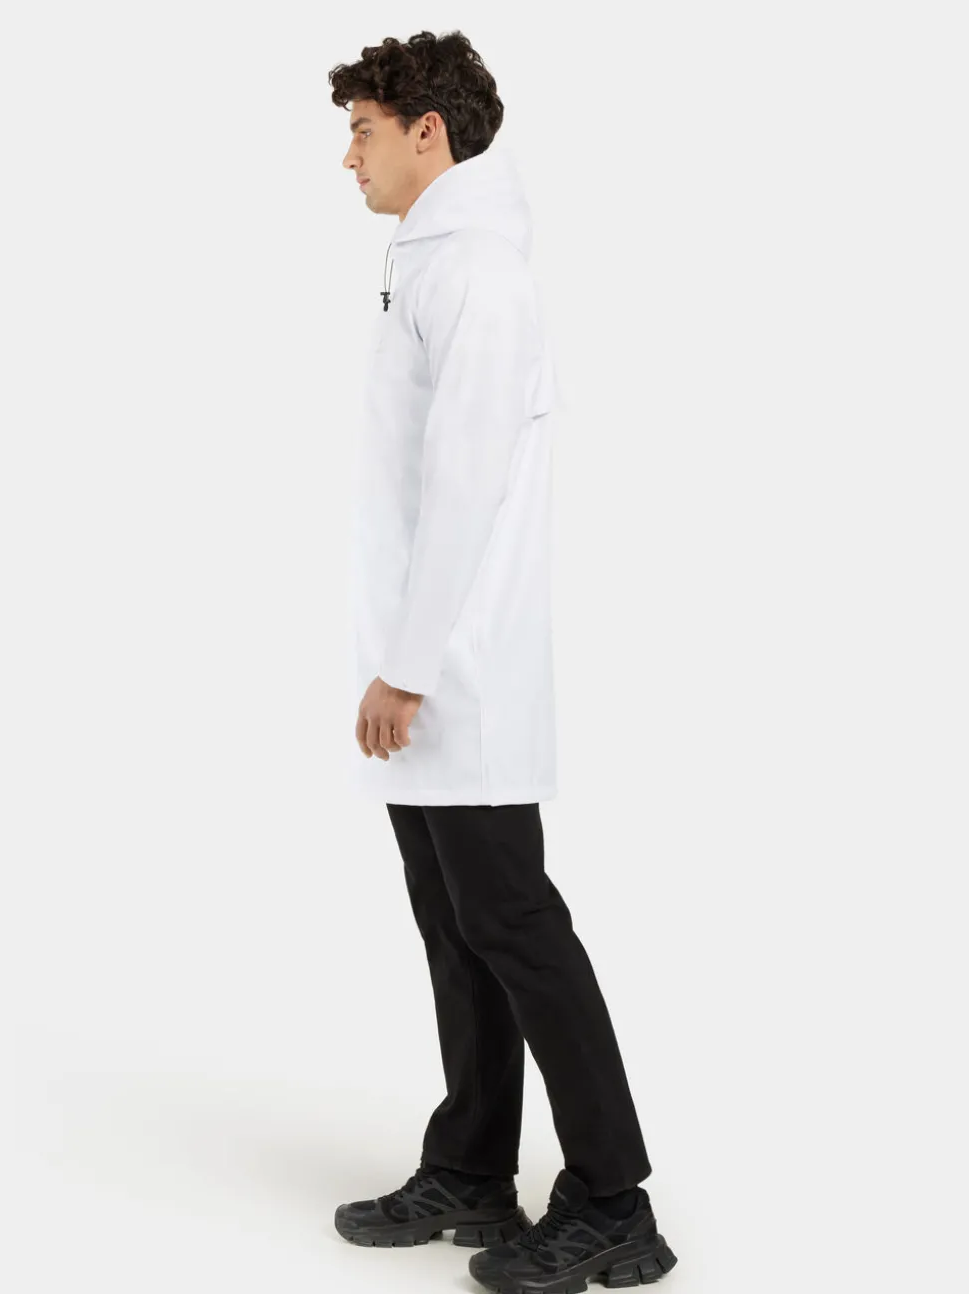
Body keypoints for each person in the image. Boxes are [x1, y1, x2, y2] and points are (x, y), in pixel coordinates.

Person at [329, 30, 677, 1292]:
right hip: (424, 671)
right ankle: (472, 1164)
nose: (349, 158)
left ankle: (613, 1200)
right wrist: (396, 659)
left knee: (515, 922)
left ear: (428, 132)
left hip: (455, 671)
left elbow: (467, 481)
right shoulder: (431, 262)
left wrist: (410, 664)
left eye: (364, 130)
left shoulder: (477, 273)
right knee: (456, 921)